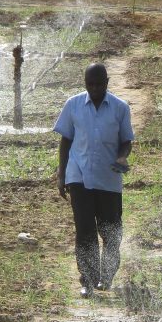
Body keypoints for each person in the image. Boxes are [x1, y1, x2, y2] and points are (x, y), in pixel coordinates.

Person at [53, 63, 134, 298]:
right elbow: (66, 140)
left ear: (107, 82)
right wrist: (62, 174)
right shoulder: (73, 105)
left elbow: (126, 140)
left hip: (109, 177)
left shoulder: (120, 108)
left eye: (99, 84)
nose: (95, 88)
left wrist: (122, 157)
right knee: (85, 230)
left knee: (110, 230)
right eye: (90, 84)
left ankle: (106, 276)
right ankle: (87, 279)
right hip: (79, 175)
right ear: (85, 83)